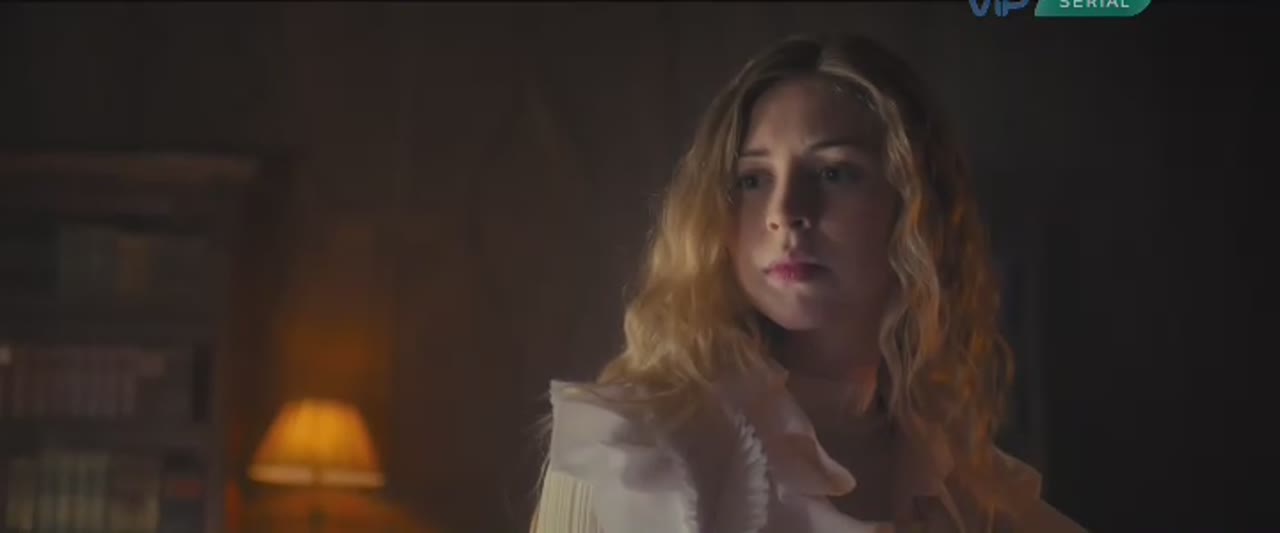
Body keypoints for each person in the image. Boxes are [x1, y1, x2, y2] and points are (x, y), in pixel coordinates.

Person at [528, 33, 1087, 533]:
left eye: (834, 172)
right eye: (752, 179)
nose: (785, 212)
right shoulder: (630, 456)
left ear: (916, 210)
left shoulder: (966, 489)